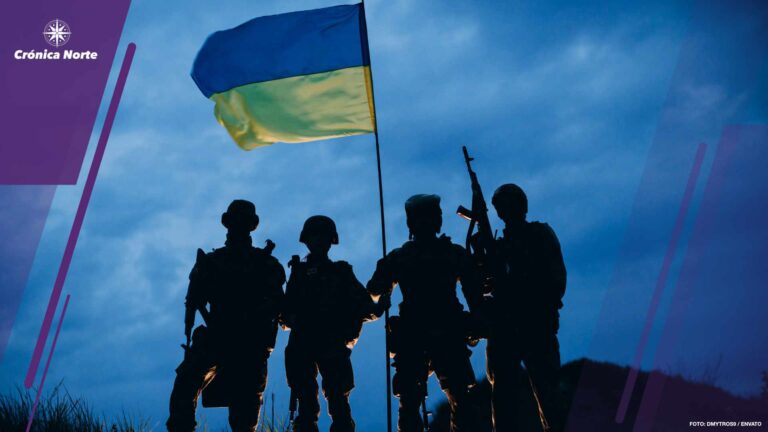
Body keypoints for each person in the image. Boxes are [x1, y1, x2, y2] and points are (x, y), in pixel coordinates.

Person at [166, 200, 286, 432]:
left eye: (243, 222)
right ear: (228, 224)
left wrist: (255, 317)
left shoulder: (266, 264)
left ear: (251, 226)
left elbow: (278, 305)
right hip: (218, 335)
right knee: (186, 382)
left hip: (250, 341)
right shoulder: (212, 262)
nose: (239, 227)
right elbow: (195, 301)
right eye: (235, 222)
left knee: (245, 414)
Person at [367, 194, 483, 432]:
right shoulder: (436, 254)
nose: (425, 224)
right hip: (420, 335)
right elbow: (375, 289)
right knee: (421, 403)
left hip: (438, 333)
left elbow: (475, 295)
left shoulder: (408, 256)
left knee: (452, 399)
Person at [282, 215, 388, 432]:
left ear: (331, 240)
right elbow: (285, 314)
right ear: (307, 240)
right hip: (303, 344)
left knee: (339, 405)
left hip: (333, 345)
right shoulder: (298, 273)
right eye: (315, 237)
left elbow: (364, 306)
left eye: (323, 237)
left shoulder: (341, 272)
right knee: (306, 408)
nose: (319, 241)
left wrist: (378, 305)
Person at [486, 184, 566, 432]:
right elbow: (483, 286)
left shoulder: (539, 234)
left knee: (549, 397)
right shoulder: (498, 247)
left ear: (522, 207)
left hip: (535, 325)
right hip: (506, 329)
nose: (505, 211)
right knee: (504, 401)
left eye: (510, 205)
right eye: (502, 207)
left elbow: (556, 281)